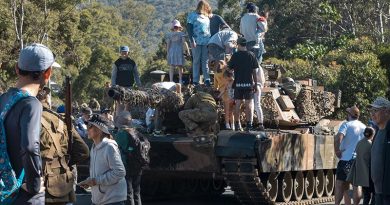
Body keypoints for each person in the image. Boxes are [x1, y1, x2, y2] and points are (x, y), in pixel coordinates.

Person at [0, 43, 55, 204]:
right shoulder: (31, 104)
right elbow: (30, 146)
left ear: (17, 68)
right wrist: (34, 185)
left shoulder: (2, 99)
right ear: (48, 73)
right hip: (21, 194)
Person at [37, 87, 89, 205]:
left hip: (40, 184)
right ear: (47, 101)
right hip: (63, 182)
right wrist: (64, 162)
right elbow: (84, 151)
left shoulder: (31, 118)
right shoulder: (62, 120)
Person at [79, 114, 127, 205]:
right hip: (99, 200)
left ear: (99, 129)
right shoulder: (94, 147)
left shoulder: (109, 147)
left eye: (90, 126)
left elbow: (119, 172)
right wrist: (89, 181)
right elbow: (100, 172)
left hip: (112, 201)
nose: (87, 129)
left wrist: (94, 181)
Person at [334, 105, 366, 205]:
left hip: (346, 160)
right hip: (358, 161)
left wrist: (337, 151)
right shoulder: (364, 127)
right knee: (357, 185)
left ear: (349, 115)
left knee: (340, 184)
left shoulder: (346, 125)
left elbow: (338, 137)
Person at [114, 111, 147, 205]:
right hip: (138, 164)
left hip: (127, 165)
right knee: (136, 191)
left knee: (128, 192)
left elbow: (116, 148)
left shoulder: (121, 134)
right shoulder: (135, 132)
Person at [227, 37, 258, 131]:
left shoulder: (235, 56)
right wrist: (255, 84)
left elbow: (229, 69)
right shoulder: (251, 55)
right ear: (246, 44)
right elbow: (254, 71)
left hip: (238, 84)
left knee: (238, 104)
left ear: (238, 44)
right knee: (249, 104)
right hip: (249, 84)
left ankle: (237, 124)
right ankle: (249, 125)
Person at [369, 97, 390, 205]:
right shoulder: (377, 132)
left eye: (375, 110)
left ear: (387, 111)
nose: (372, 114)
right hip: (378, 193)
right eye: (371, 111)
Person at [347, 127, 375, 205]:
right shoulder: (371, 144)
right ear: (372, 134)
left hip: (361, 173)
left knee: (366, 194)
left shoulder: (359, 143)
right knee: (374, 194)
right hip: (369, 173)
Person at [187, 0, 212, 86]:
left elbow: (208, 30)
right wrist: (192, 40)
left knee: (205, 61)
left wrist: (210, 42)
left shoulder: (206, 17)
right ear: (203, 6)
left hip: (206, 42)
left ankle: (207, 79)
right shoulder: (192, 16)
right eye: (206, 7)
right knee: (196, 61)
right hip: (196, 42)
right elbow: (189, 28)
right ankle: (195, 81)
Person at [111, 46, 141, 115]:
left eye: (125, 52)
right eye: (122, 52)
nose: (124, 53)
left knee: (128, 104)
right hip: (119, 87)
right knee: (119, 104)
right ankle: (118, 120)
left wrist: (139, 85)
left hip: (129, 86)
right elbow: (113, 75)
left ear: (128, 52)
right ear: (120, 52)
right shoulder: (117, 63)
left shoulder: (132, 62)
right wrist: (113, 85)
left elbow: (136, 74)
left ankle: (126, 120)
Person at [166, 19, 189, 83]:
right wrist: (187, 51)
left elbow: (168, 44)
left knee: (171, 66)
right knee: (180, 66)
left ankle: (171, 80)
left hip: (172, 51)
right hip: (179, 51)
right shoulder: (182, 34)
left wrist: (167, 53)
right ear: (179, 27)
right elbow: (184, 42)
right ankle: (180, 80)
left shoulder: (169, 34)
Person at [254, 65, 266, 130]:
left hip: (254, 86)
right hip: (258, 86)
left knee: (256, 105)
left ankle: (260, 124)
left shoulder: (256, 66)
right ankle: (260, 123)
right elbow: (262, 80)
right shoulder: (259, 66)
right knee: (257, 105)